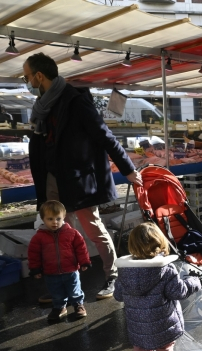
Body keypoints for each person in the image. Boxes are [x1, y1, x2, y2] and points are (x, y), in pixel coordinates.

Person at [22, 53, 142, 302]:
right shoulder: (43, 105)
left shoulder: (74, 101)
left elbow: (104, 135)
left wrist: (128, 169)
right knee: (61, 232)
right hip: (52, 178)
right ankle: (65, 282)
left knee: (93, 228)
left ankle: (113, 274)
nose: (26, 81)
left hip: (78, 179)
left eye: (27, 76)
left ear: (39, 76)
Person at [114, 223, 202, 351]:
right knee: (164, 348)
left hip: (138, 325)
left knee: (141, 347)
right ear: (160, 244)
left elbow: (118, 296)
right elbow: (179, 292)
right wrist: (195, 281)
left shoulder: (124, 271)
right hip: (163, 323)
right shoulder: (166, 270)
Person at [27, 200, 91, 322]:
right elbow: (34, 254)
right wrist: (35, 269)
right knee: (56, 292)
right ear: (43, 219)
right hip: (50, 272)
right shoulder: (39, 237)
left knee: (74, 290)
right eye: (50, 219)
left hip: (70, 270)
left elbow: (81, 248)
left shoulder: (72, 233)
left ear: (63, 217)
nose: (55, 222)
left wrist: (84, 261)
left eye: (58, 218)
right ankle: (59, 307)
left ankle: (78, 305)